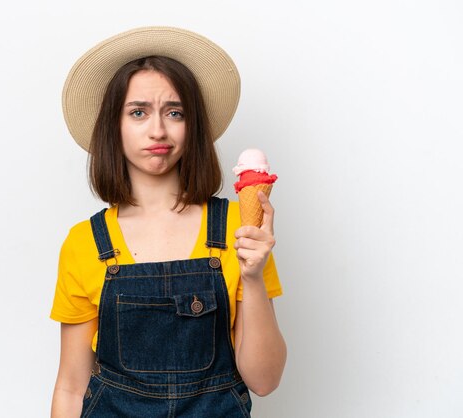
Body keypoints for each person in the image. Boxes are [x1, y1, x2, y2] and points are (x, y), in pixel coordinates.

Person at [50, 26, 286, 417]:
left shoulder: (238, 231)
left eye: (174, 112)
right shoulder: (85, 243)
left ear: (192, 126)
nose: (157, 130)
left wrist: (254, 277)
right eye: (138, 112)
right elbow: (71, 386)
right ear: (115, 125)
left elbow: (265, 381)